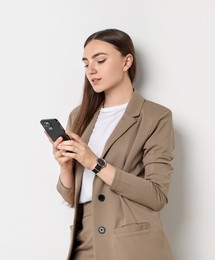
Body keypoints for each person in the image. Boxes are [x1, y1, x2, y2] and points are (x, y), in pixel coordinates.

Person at [45, 28, 175, 260]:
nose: (91, 70)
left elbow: (157, 196)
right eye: (86, 64)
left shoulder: (155, 117)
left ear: (127, 62)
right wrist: (65, 166)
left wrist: (94, 162)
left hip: (131, 245)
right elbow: (71, 197)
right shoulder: (79, 116)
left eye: (101, 60)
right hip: (84, 241)